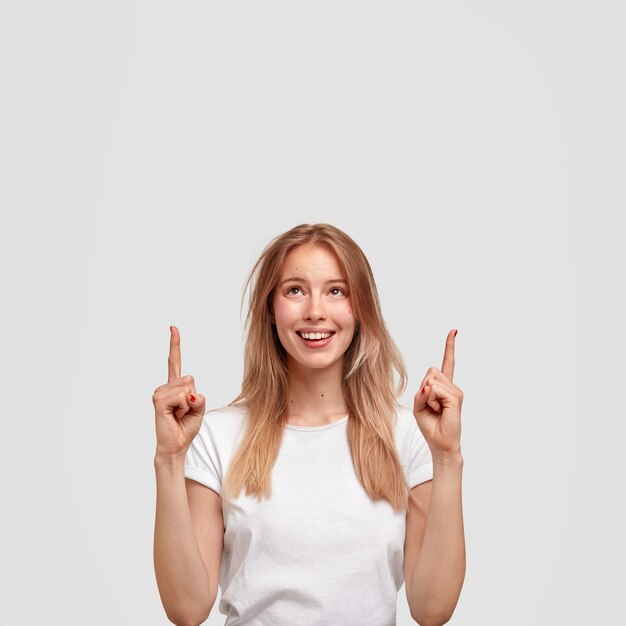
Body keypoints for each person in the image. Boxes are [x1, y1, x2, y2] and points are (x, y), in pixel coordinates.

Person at [153, 223, 466, 626]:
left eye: (336, 290)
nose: (315, 310)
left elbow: (432, 609)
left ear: (362, 308)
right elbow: (187, 608)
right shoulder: (217, 435)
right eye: (295, 290)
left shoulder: (408, 435)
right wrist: (169, 459)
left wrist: (447, 458)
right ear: (271, 308)